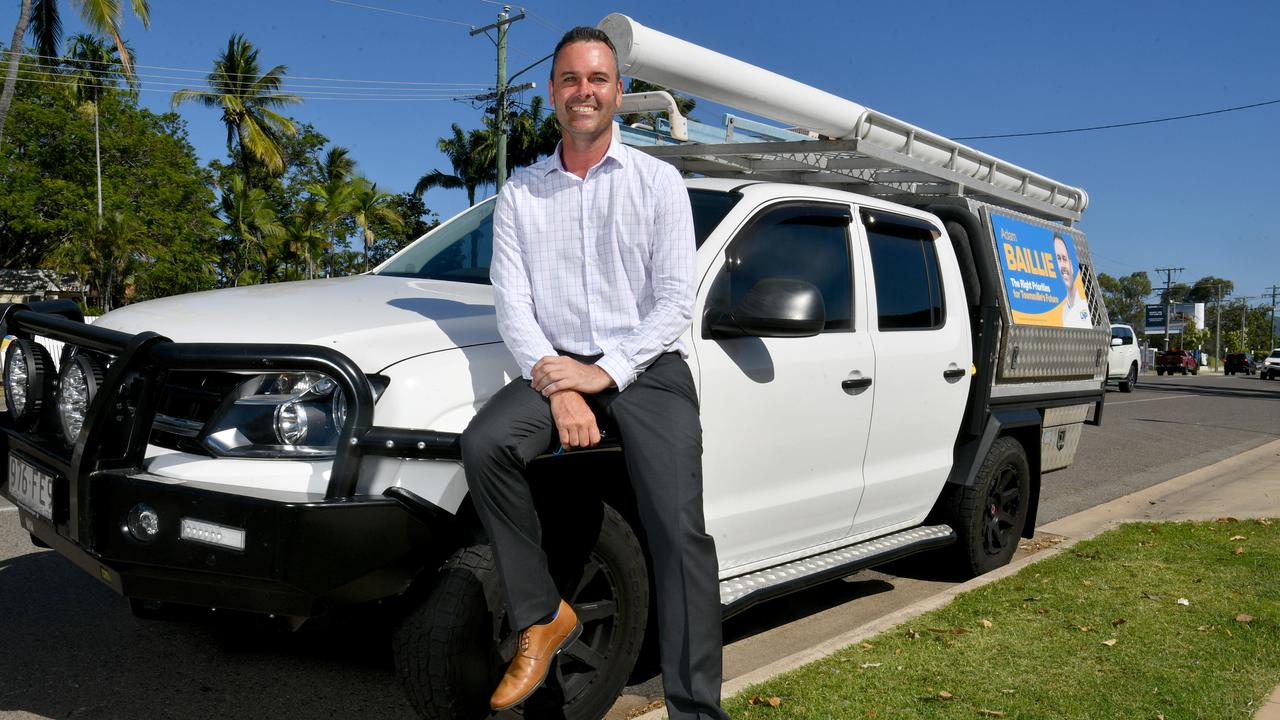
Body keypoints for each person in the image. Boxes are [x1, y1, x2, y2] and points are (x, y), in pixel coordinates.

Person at [460, 26, 729, 720]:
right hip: (555, 364)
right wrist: (557, 382)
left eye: (598, 79)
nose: (585, 91)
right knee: (486, 444)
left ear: (618, 93)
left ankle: (696, 711)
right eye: (571, 79)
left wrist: (600, 376)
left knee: (678, 531)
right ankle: (541, 615)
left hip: (647, 369)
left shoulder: (657, 182)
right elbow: (511, 303)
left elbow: (674, 301)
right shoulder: (521, 194)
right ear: (553, 93)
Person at [1053, 234, 1092, 328]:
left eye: (1064, 258)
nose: (1062, 266)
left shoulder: (1086, 305)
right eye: (1058, 259)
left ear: (1071, 264)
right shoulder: (1063, 311)